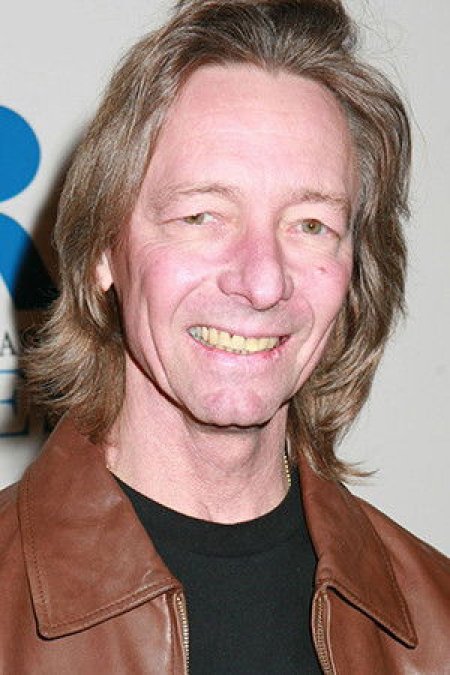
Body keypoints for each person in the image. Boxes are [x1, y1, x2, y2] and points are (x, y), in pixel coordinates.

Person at [0, 0, 449, 672]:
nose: (262, 282)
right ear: (103, 252)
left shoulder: (437, 624)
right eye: (202, 215)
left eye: (311, 225)